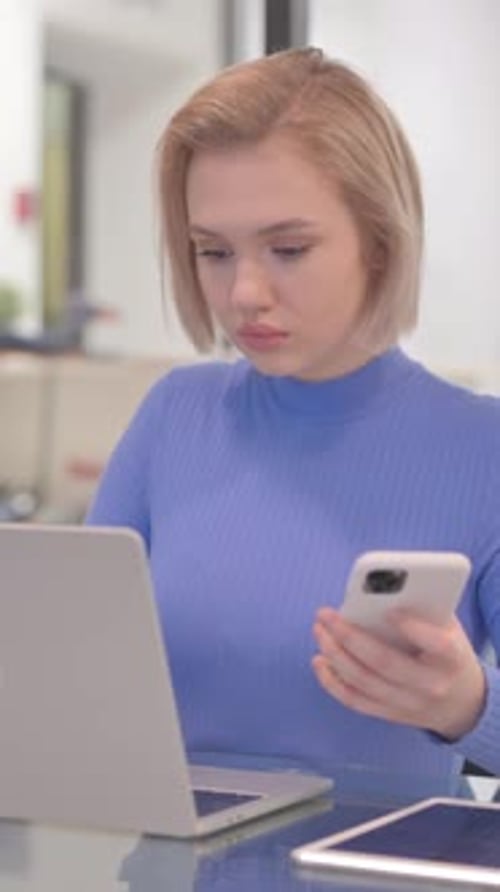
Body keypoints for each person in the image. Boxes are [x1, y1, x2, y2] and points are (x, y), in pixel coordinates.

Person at [87, 47, 500, 780]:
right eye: (213, 252)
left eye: (287, 248)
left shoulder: (481, 449)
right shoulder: (172, 416)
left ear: (379, 242)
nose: (244, 292)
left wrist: (468, 705)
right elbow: (73, 666)